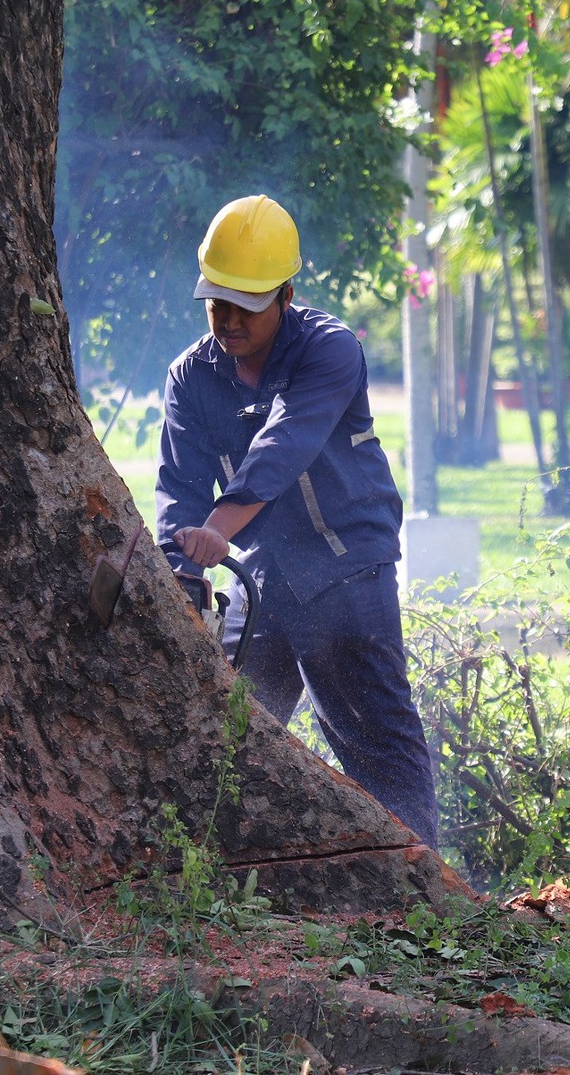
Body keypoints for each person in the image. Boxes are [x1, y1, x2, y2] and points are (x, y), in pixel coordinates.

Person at [155, 195, 438, 845]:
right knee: (227, 737)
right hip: (263, 579)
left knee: (380, 751)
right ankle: (222, 879)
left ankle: (432, 896)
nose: (227, 320)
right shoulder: (190, 378)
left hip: (347, 569)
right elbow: (179, 486)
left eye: (245, 305)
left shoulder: (330, 350)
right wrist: (181, 570)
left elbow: (284, 445)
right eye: (216, 303)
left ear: (284, 295)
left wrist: (218, 527)